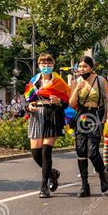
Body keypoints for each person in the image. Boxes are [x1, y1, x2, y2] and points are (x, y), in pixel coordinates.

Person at [25, 53, 70, 198]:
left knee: (46, 152)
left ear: (53, 65)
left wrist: (58, 101)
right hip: (36, 115)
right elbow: (28, 100)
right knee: (35, 154)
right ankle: (52, 173)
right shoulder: (34, 81)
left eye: (49, 64)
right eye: (43, 64)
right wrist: (29, 107)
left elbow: (67, 102)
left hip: (52, 114)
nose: (46, 66)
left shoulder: (59, 81)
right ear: (38, 66)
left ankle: (44, 186)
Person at [70, 56, 108, 197]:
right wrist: (77, 89)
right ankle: (84, 185)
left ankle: (102, 174)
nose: (82, 69)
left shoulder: (100, 80)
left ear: (91, 67)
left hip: (96, 116)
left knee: (93, 152)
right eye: (80, 67)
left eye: (85, 66)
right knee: (81, 151)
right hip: (81, 116)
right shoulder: (76, 82)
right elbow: (72, 103)